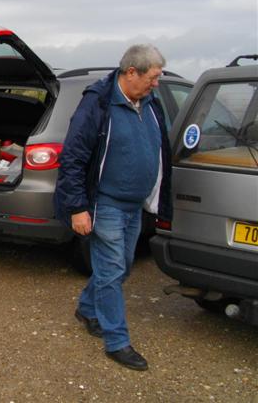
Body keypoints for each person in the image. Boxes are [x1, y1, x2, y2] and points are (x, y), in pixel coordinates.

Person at [53, 44, 172, 372]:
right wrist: (77, 207)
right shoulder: (99, 103)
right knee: (110, 270)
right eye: (153, 76)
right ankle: (117, 341)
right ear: (131, 72)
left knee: (123, 266)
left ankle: (88, 308)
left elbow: (161, 149)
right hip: (105, 204)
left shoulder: (150, 104)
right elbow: (73, 158)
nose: (156, 83)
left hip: (135, 206)